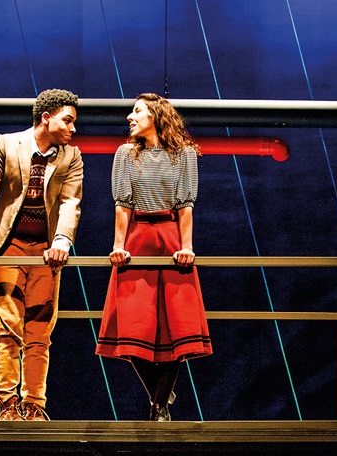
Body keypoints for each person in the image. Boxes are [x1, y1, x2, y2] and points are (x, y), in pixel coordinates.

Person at [0, 88, 83, 421]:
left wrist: (61, 241)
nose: (73, 129)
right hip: (9, 248)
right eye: (68, 120)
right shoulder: (5, 144)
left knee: (40, 331)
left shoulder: (70, 156)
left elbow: (70, 202)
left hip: (46, 252)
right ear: (46, 118)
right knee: (7, 327)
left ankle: (34, 404)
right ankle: (7, 404)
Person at [95, 93, 212, 421]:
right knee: (133, 325)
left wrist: (186, 247)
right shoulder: (124, 154)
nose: (130, 117)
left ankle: (159, 406)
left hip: (170, 237)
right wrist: (119, 246)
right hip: (138, 240)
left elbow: (186, 206)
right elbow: (122, 205)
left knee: (177, 325)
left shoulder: (184, 154)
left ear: (157, 117)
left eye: (137, 111)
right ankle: (160, 392)